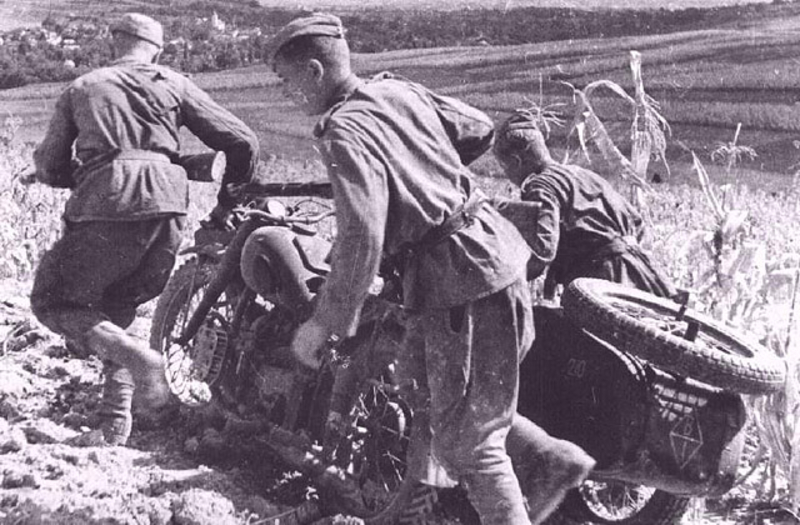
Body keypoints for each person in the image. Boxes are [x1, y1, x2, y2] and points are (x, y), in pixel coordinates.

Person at [267, 13, 594, 524]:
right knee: (418, 380)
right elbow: (478, 128)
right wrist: (424, 163)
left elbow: (362, 237)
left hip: (459, 279)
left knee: (470, 445)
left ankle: (544, 467)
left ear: (314, 71)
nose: (284, 94)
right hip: (489, 255)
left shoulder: (343, 131)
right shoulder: (397, 91)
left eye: (286, 81)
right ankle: (547, 457)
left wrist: (325, 322)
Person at [28, 12, 260, 446]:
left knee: (53, 300)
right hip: (169, 206)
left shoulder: (84, 86)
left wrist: (81, 172)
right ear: (157, 50)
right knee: (117, 305)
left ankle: (142, 360)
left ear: (115, 41)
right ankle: (115, 420)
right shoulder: (173, 83)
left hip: (108, 203)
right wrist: (227, 205)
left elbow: (50, 165)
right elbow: (242, 142)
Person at [493, 109, 675, 299]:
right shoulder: (583, 174)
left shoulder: (541, 185)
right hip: (642, 274)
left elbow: (543, 251)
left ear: (516, 161)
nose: (508, 175)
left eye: (505, 168)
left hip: (601, 283)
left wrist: (502, 278)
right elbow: (638, 224)